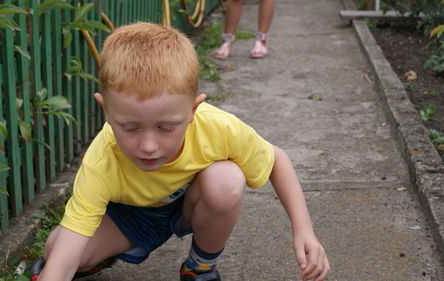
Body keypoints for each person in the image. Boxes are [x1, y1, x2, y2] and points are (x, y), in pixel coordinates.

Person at [28, 22, 329, 281]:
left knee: (226, 180)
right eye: (130, 128)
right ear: (106, 111)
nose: (148, 146)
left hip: (189, 201)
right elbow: (69, 246)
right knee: (56, 251)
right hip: (128, 216)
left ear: (192, 110)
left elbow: (276, 159)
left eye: (166, 127)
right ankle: (114, 250)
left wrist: (304, 230)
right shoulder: (102, 157)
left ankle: (200, 268)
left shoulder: (217, 127)